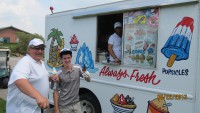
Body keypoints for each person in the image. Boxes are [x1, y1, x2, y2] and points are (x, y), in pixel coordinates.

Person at [6, 38, 57, 113]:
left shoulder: (40, 62)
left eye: (42, 48)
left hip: (35, 108)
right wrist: (38, 96)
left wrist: (50, 78)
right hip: (22, 109)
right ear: (29, 49)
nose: (40, 51)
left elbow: (37, 78)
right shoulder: (25, 62)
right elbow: (20, 81)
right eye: (36, 48)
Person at [53, 48, 91, 113]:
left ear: (71, 57)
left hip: (76, 104)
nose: (67, 60)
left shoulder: (78, 68)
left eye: (68, 57)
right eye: (64, 58)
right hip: (64, 106)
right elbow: (55, 92)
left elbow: (88, 80)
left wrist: (87, 75)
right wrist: (56, 109)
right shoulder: (58, 74)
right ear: (61, 59)